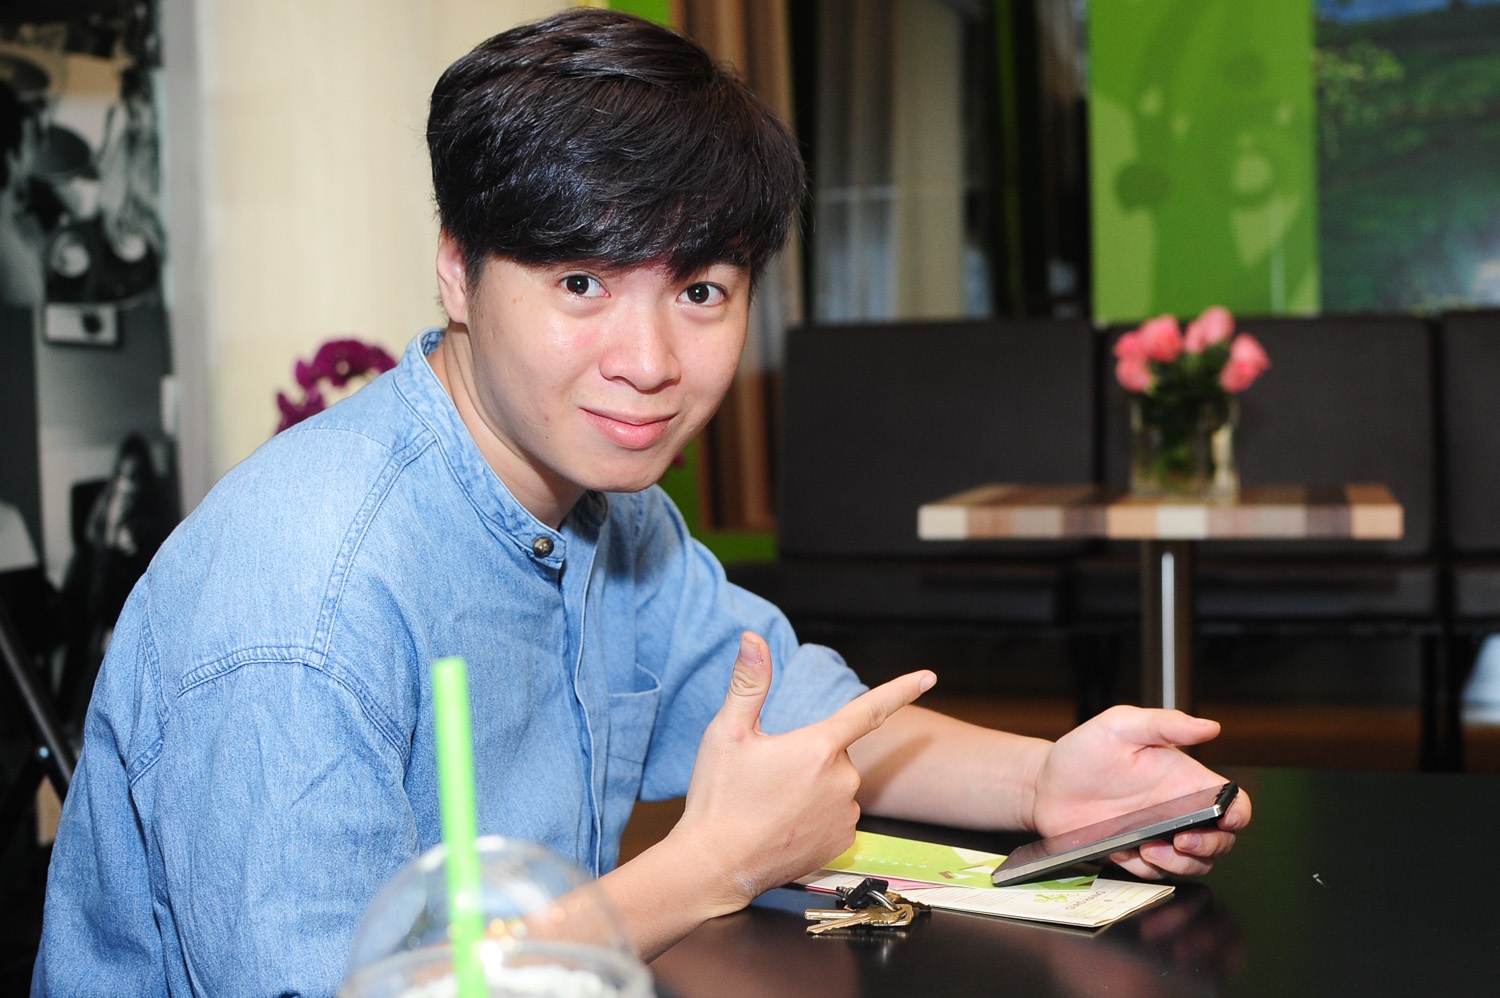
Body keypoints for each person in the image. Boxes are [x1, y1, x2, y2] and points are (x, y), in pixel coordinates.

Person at [33, 9, 1251, 996]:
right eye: (581, 281)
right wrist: (704, 867)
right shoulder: (305, 599)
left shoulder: (611, 515)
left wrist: (1048, 786)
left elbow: (797, 718)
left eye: (702, 291)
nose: (652, 361)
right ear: (458, 268)